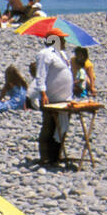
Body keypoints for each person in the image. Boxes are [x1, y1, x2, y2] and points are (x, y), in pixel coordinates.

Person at [34, 31, 73, 166]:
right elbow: (40, 75)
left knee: (62, 127)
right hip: (51, 98)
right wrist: (43, 93)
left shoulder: (61, 54)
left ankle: (56, 156)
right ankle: (45, 157)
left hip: (65, 99)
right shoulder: (45, 54)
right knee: (49, 127)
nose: (64, 42)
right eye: (62, 39)